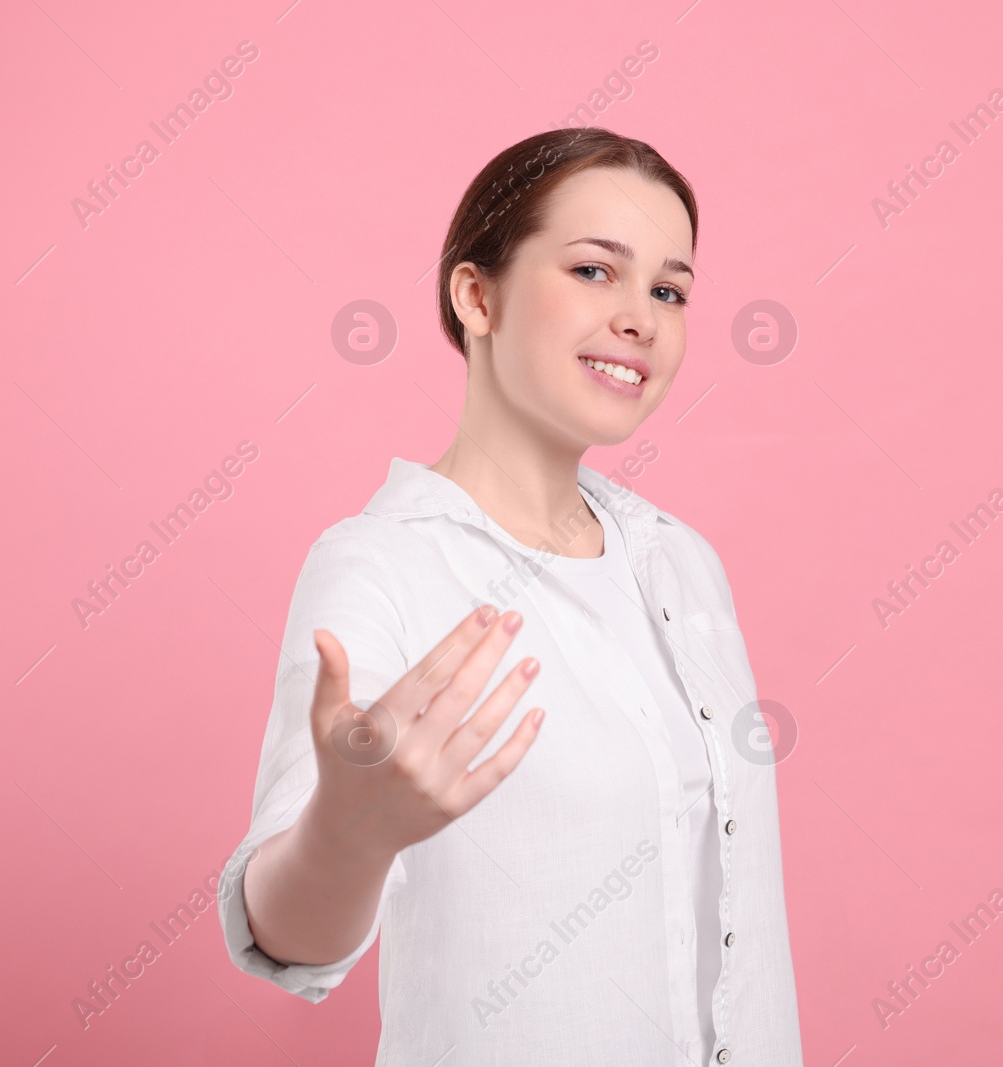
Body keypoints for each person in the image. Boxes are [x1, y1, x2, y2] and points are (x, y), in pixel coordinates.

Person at [216, 128, 803, 1066]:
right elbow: (283, 930)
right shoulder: (380, 565)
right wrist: (344, 835)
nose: (642, 319)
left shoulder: (682, 564)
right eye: (593, 271)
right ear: (476, 294)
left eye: (668, 290)